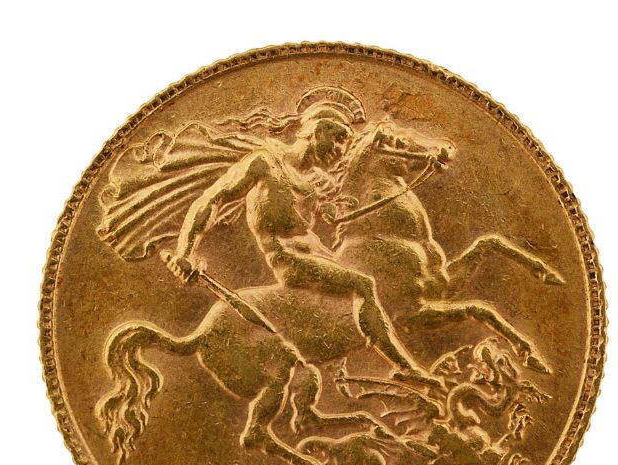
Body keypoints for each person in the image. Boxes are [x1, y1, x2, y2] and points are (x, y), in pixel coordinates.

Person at [164, 87, 430, 382]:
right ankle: (405, 369)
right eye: (338, 138)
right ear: (317, 130)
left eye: (345, 143)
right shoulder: (265, 163)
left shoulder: (313, 182)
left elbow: (328, 215)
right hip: (289, 258)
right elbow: (211, 200)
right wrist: (185, 252)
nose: (340, 149)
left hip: (318, 254)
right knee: (363, 284)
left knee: (373, 285)